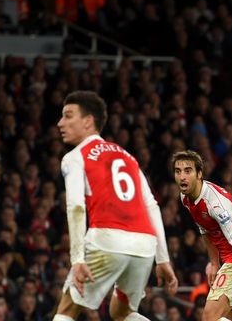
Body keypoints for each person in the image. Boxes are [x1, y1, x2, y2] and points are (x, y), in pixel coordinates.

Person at [53, 91, 178, 321]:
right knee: (122, 313)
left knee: (68, 308)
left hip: (107, 239)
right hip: (144, 245)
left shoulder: (75, 156)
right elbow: (152, 206)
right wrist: (162, 258)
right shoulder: (128, 157)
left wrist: (77, 259)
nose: (61, 123)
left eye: (68, 116)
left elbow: (76, 207)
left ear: (88, 121)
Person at [174, 150, 232, 321]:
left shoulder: (217, 204)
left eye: (188, 171)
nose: (182, 177)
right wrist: (214, 263)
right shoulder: (185, 198)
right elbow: (205, 229)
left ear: (199, 174)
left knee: (209, 317)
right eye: (178, 171)